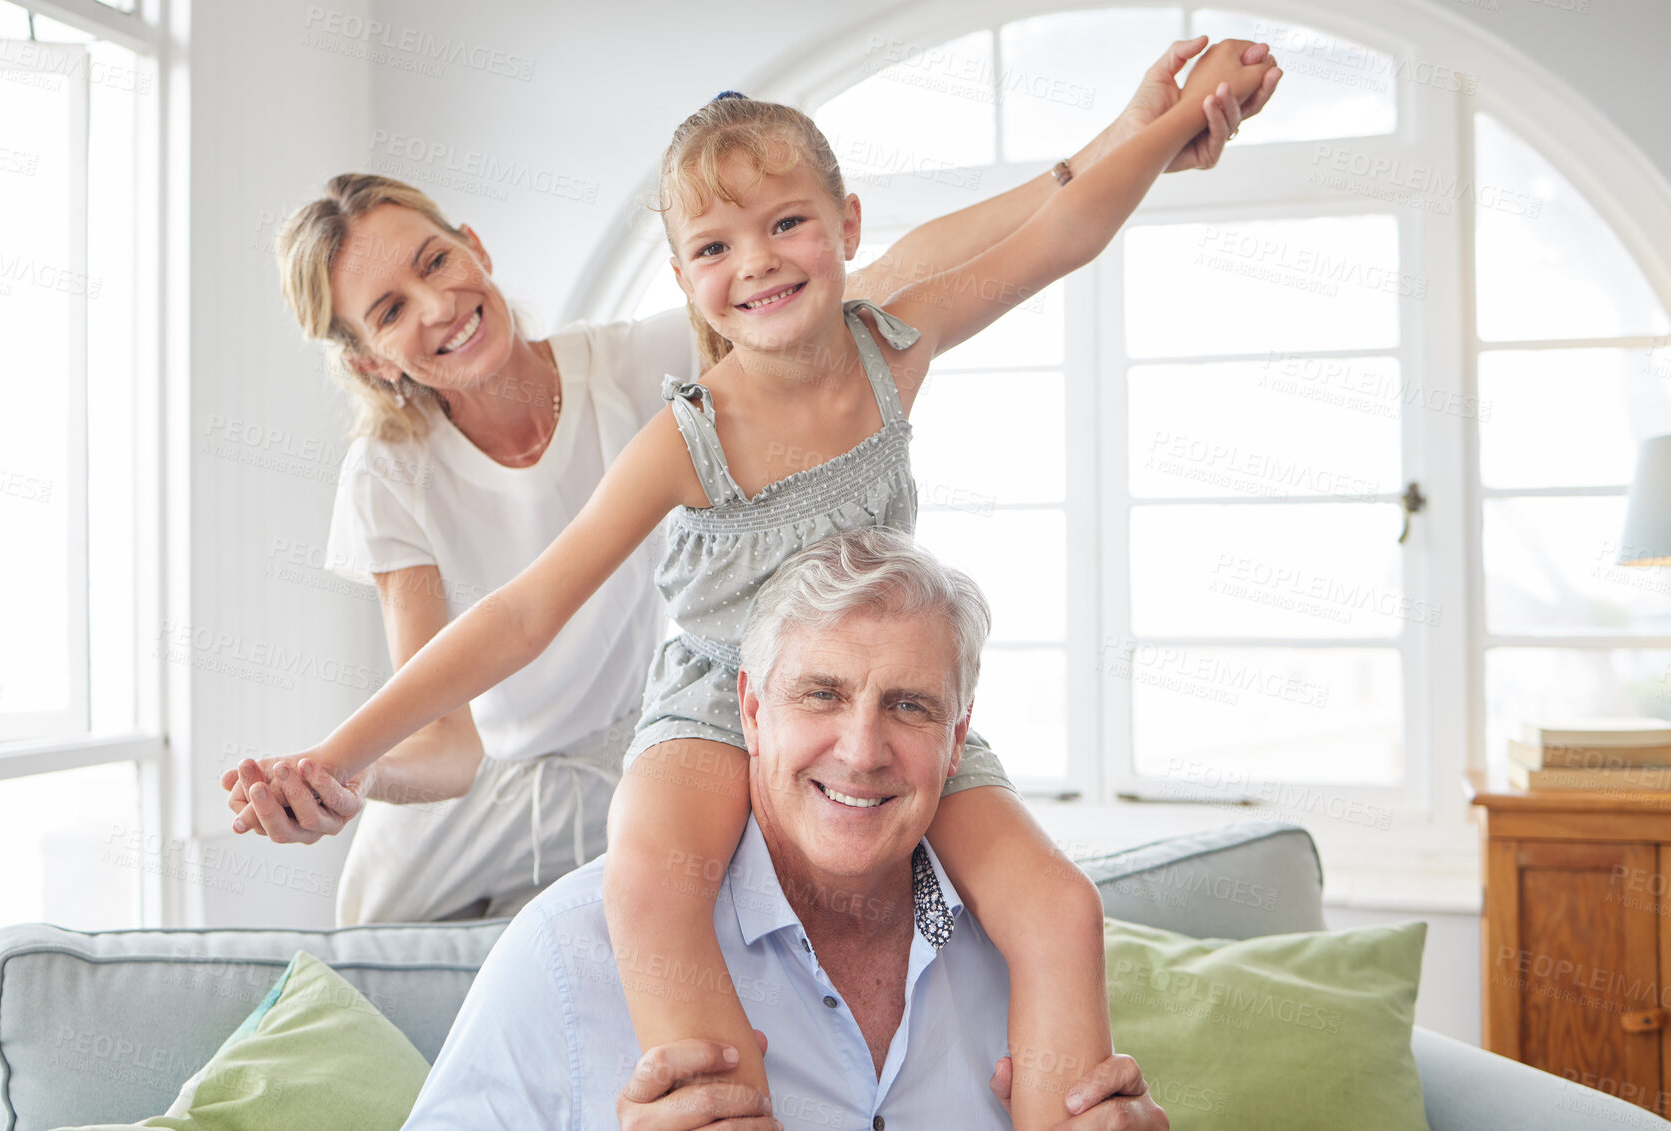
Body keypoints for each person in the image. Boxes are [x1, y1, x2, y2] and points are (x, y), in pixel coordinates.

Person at [229, 41, 1275, 1131]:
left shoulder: (887, 349)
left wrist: (1160, 129)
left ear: (843, 229)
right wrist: (337, 756)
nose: (761, 261)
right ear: (685, 281)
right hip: (714, 700)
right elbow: (524, 612)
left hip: (877, 687)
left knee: (1059, 904)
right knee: (648, 886)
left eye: (786, 226)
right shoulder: (687, 432)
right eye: (717, 246)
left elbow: (1055, 233)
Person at [401, 528, 1169, 1131]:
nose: (862, 751)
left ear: (958, 737)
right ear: (752, 710)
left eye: (909, 705)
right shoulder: (567, 954)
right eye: (821, 694)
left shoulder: (1025, 960)